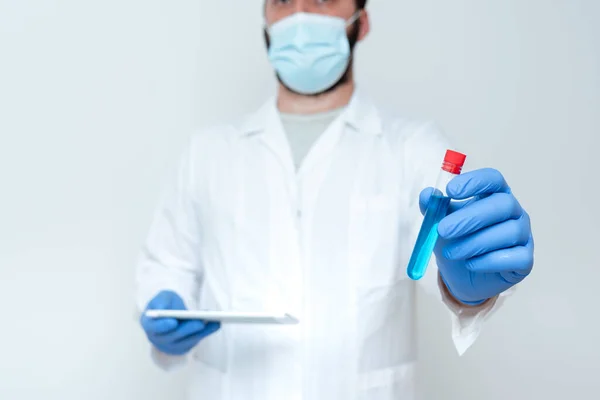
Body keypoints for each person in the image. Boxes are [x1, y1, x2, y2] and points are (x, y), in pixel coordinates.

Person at [135, 1, 535, 399]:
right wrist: (162, 310)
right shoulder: (206, 153)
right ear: (265, 21)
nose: (301, 15)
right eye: (282, 1)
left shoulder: (413, 149)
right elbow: (166, 267)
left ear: (362, 23)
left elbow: (445, 248)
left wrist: (469, 284)